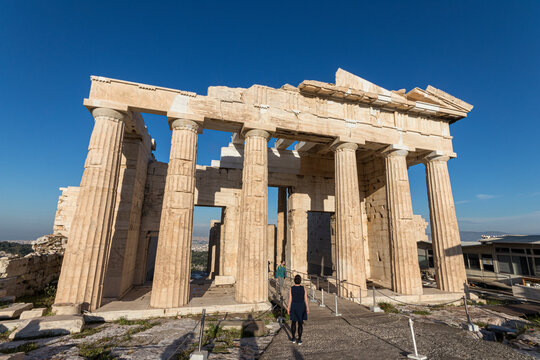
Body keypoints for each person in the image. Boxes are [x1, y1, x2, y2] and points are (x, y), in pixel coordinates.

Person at [287, 274, 309, 345]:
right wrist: (307, 307)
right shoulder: (303, 288)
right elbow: (306, 299)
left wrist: (288, 308)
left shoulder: (291, 288)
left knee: (293, 323)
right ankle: (299, 339)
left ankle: (293, 338)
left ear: (294, 281)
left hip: (294, 306)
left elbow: (290, 299)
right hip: (301, 306)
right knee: (300, 323)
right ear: (300, 281)